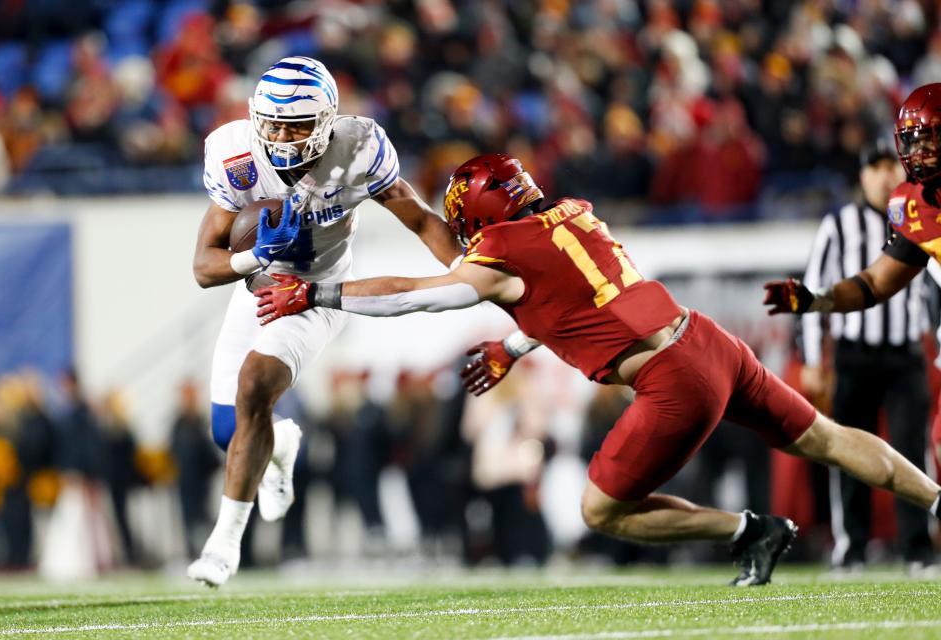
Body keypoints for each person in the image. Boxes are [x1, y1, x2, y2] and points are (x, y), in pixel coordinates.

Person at [253, 152, 941, 586]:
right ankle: (938, 499)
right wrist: (515, 346)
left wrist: (318, 292)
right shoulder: (572, 214)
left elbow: (419, 298)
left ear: (482, 218)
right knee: (825, 436)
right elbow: (577, 303)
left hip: (673, 380)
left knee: (602, 510)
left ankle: (750, 531)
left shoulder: (505, 254)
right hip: (709, 340)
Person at [187, 56, 462, 587]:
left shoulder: (359, 147)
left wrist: (466, 268)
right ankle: (282, 443)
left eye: (297, 124)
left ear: (329, 120)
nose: (284, 137)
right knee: (229, 431)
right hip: (258, 289)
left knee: (253, 386)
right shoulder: (233, 153)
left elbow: (419, 217)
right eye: (274, 123)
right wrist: (254, 257)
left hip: (314, 294)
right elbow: (204, 267)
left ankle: (223, 545)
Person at [799, 139, 935, 571]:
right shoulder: (840, 223)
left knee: (914, 449)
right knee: (849, 451)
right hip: (855, 353)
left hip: (905, 352)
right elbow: (816, 288)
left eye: (888, 166)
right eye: (873, 167)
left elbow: (932, 287)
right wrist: (811, 359)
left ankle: (918, 547)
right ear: (861, 176)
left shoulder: (921, 216)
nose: (883, 175)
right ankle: (851, 547)